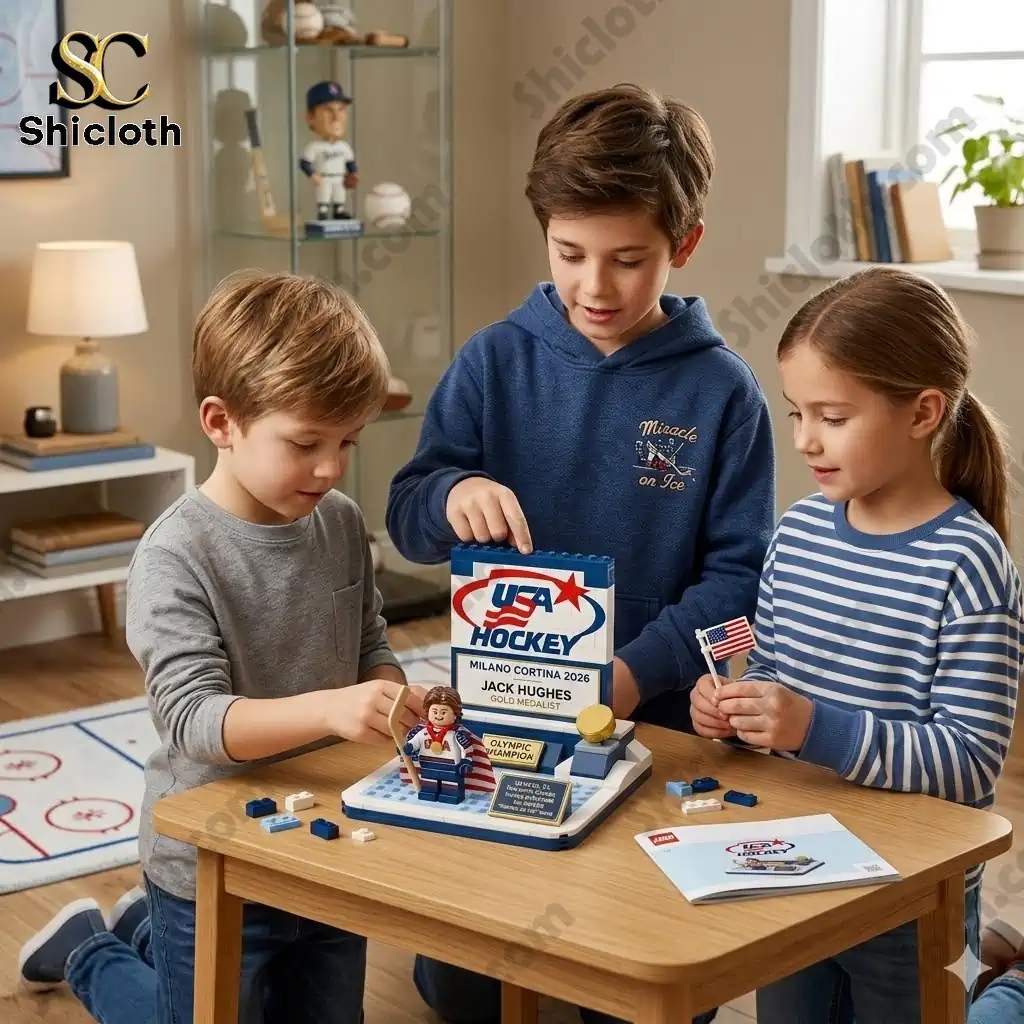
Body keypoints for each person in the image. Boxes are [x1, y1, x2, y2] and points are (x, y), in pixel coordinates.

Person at [386, 83, 775, 1024]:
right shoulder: (491, 361)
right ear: (545, 234)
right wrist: (452, 493)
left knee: (650, 985)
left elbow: (737, 587)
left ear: (683, 246)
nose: (594, 286)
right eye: (570, 254)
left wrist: (635, 677)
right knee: (463, 991)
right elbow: (406, 516)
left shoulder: (725, 394)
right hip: (501, 708)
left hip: (659, 726)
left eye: (627, 260)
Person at [17, 270, 426, 1023]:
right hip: (212, 862)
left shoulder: (335, 522)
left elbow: (369, 640)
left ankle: (134, 928)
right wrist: (337, 710)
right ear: (221, 421)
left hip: (327, 844)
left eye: (347, 441)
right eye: (305, 443)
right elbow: (196, 723)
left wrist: (395, 696)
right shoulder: (177, 555)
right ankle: (90, 949)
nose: (332, 467)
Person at [689, 266, 1024, 1023]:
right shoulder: (798, 535)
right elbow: (772, 680)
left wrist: (811, 726)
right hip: (793, 869)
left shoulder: (969, 566)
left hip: (911, 891)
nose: (804, 440)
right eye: (795, 412)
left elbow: (969, 763)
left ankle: (1009, 985)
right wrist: (735, 711)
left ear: (923, 412)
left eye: (832, 417)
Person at [301, 80, 358, 220]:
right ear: (310, 118)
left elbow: (350, 162)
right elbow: (304, 163)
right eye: (328, 110)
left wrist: (354, 173)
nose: (336, 117)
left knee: (339, 196)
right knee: (324, 196)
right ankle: (323, 213)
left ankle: (339, 212)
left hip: (339, 178)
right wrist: (312, 174)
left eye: (341, 109)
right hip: (324, 178)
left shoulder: (344, 147)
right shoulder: (314, 147)